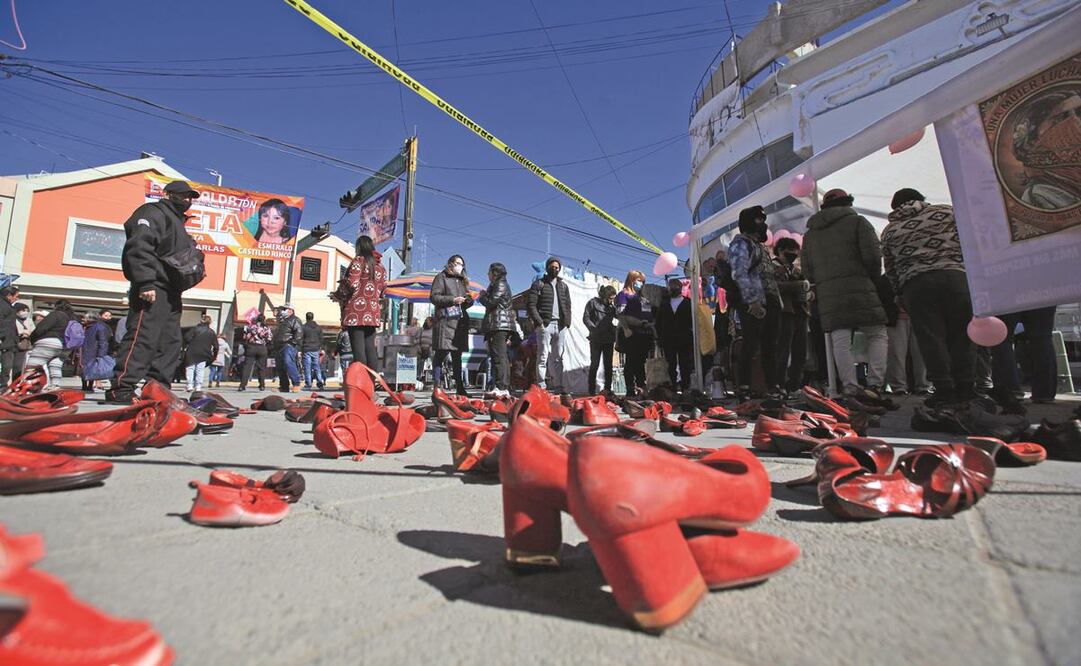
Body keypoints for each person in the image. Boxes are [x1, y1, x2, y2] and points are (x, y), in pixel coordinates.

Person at [108, 180, 201, 404]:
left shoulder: (178, 223)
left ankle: (157, 387)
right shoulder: (152, 212)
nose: (187, 200)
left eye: (190, 197)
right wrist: (145, 282)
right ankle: (122, 387)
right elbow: (139, 246)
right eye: (182, 195)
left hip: (172, 290)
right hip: (154, 286)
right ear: (168, 194)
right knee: (143, 336)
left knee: (170, 341)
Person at [881, 187, 974, 406]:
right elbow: (969, 240)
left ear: (894, 207)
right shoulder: (947, 212)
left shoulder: (890, 230)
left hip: (916, 285)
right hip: (955, 277)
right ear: (921, 199)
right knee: (963, 334)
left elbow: (890, 267)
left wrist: (899, 292)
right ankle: (966, 386)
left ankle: (943, 388)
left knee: (930, 337)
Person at [801, 189, 888, 401]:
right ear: (847, 203)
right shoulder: (858, 223)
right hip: (861, 286)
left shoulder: (810, 234)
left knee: (840, 340)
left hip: (829, 293)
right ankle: (875, 385)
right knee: (877, 334)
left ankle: (849, 387)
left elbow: (807, 268)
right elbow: (873, 256)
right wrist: (873, 278)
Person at [729, 206, 782, 399]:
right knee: (750, 345)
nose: (762, 224)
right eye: (758, 220)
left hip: (771, 301)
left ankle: (772, 387)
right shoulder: (741, 244)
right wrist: (752, 301)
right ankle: (744, 387)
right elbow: (739, 272)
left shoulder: (759, 246)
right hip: (754, 302)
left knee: (770, 347)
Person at [331, 235, 386, 370]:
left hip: (356, 311)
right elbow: (383, 290)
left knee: (358, 348)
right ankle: (371, 383)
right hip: (372, 312)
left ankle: (360, 383)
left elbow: (352, 283)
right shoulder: (380, 267)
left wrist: (337, 295)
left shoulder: (359, 261)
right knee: (370, 348)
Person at [992, 306, 1059, 408]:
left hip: (1006, 295)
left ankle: (1010, 391)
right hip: (1041, 293)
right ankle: (1045, 393)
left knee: (1002, 338)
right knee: (1042, 338)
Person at [429, 254, 474, 396]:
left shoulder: (462, 281)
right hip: (445, 321)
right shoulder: (441, 277)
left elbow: (466, 301)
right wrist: (452, 300)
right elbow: (434, 297)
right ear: (450, 263)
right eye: (457, 263)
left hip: (459, 322)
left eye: (462, 264)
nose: (460, 266)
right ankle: (437, 386)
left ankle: (460, 388)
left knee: (457, 357)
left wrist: (468, 301)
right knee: (440, 355)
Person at [526, 256, 572, 392]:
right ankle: (541, 386)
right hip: (545, 325)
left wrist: (567, 322)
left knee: (558, 357)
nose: (555, 269)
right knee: (543, 356)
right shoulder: (539, 284)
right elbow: (531, 304)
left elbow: (568, 305)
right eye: (552, 267)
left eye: (557, 267)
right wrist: (539, 322)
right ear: (547, 268)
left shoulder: (563, 286)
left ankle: (558, 385)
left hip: (561, 325)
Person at [773, 238, 811, 394]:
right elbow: (777, 287)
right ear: (780, 250)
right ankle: (779, 384)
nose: (794, 254)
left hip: (800, 312)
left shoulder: (794, 269)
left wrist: (807, 292)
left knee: (800, 351)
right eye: (790, 251)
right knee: (783, 350)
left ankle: (795, 384)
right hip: (785, 312)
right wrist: (799, 285)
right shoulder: (774, 267)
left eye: (796, 251)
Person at [615, 270, 653, 397]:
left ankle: (641, 386)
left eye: (642, 281)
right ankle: (630, 389)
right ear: (632, 280)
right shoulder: (623, 295)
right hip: (631, 332)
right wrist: (626, 328)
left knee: (640, 362)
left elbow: (648, 313)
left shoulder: (642, 297)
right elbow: (620, 314)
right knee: (631, 361)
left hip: (645, 333)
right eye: (638, 280)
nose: (641, 283)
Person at [479, 262, 513, 398]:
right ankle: (501, 386)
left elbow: (491, 302)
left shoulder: (500, 284)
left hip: (499, 325)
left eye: (489, 272)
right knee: (499, 357)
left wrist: (482, 296)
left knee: (499, 357)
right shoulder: (497, 284)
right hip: (498, 324)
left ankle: (502, 387)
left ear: (495, 273)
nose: (488, 275)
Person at [26, 300, 77, 391]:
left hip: (49, 342)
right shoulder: (73, 318)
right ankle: (55, 386)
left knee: (33, 366)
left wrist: (32, 339)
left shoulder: (56, 314)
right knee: (55, 365)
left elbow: (41, 329)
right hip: (66, 346)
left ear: (57, 306)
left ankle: (29, 387)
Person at [654, 278, 694, 392]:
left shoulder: (687, 302)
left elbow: (693, 321)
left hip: (684, 338)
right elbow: (658, 322)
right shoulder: (664, 303)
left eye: (676, 287)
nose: (674, 289)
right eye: (672, 287)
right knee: (670, 364)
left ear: (681, 288)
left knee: (685, 364)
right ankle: (673, 388)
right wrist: (659, 337)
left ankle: (685, 387)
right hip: (668, 339)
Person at [583, 285, 617, 395]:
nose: (612, 300)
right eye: (611, 298)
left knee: (608, 365)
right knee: (595, 364)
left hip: (608, 339)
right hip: (596, 338)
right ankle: (591, 390)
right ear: (605, 296)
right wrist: (593, 328)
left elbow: (620, 316)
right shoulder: (593, 303)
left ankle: (607, 389)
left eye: (613, 298)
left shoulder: (612, 307)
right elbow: (586, 317)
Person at [271, 304, 303, 392]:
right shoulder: (282, 321)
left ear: (291, 310)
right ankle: (284, 386)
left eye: (284, 309)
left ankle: (296, 384)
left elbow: (299, 332)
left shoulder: (295, 320)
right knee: (280, 367)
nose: (282, 311)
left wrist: (293, 342)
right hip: (279, 346)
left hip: (288, 345)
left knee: (288, 363)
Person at [183, 315, 218, 393]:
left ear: (201, 321)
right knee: (200, 369)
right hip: (204, 353)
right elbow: (216, 346)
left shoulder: (195, 329)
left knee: (190, 368)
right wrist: (215, 355)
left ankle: (190, 385)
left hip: (192, 351)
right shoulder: (211, 332)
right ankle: (198, 386)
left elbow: (187, 338)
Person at [81, 309, 113, 392]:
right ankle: (85, 386)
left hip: (93, 351)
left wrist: (101, 355)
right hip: (87, 350)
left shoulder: (99, 327)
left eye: (85, 318)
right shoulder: (87, 327)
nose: (83, 319)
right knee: (85, 368)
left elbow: (103, 342)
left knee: (92, 368)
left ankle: (89, 386)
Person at [238, 314, 272, 391]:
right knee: (262, 367)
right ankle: (262, 385)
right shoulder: (266, 328)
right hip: (262, 348)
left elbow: (245, 337)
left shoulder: (250, 327)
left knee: (247, 367)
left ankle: (242, 385)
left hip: (251, 347)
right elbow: (269, 339)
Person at [0, 285, 20, 385]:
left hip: (7, 343)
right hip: (4, 342)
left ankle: (2, 388)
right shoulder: (2, 305)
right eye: (16, 296)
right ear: (9, 295)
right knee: (5, 367)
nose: (17, 298)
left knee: (6, 368)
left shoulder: (7, 306)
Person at [300, 312, 325, 390]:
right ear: (313, 317)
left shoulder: (303, 327)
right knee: (316, 366)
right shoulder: (318, 328)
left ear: (306, 317)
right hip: (315, 349)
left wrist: (301, 348)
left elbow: (300, 338)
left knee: (307, 367)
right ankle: (320, 383)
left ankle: (308, 384)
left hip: (306, 348)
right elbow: (321, 338)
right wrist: (319, 346)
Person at [13, 302, 34, 375]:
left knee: (18, 366)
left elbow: (33, 330)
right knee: (7, 365)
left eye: (26, 310)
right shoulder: (12, 319)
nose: (25, 312)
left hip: (23, 345)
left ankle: (15, 382)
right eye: (23, 310)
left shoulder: (29, 320)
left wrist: (27, 333)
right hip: (12, 343)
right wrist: (22, 333)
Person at [418, 317, 433, 382]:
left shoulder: (433, 330)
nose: (427, 323)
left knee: (429, 362)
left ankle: (430, 376)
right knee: (421, 362)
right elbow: (419, 338)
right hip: (422, 349)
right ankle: (419, 376)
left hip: (430, 349)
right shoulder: (422, 330)